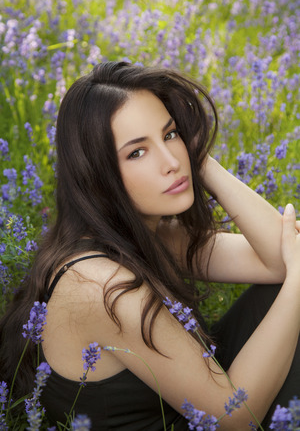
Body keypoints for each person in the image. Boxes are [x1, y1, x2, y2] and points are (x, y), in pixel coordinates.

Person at [0, 61, 299, 431]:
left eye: (170, 134)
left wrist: (201, 163)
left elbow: (279, 261)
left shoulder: (141, 234)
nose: (172, 162)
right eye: (137, 152)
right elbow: (232, 417)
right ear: (98, 174)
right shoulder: (100, 285)